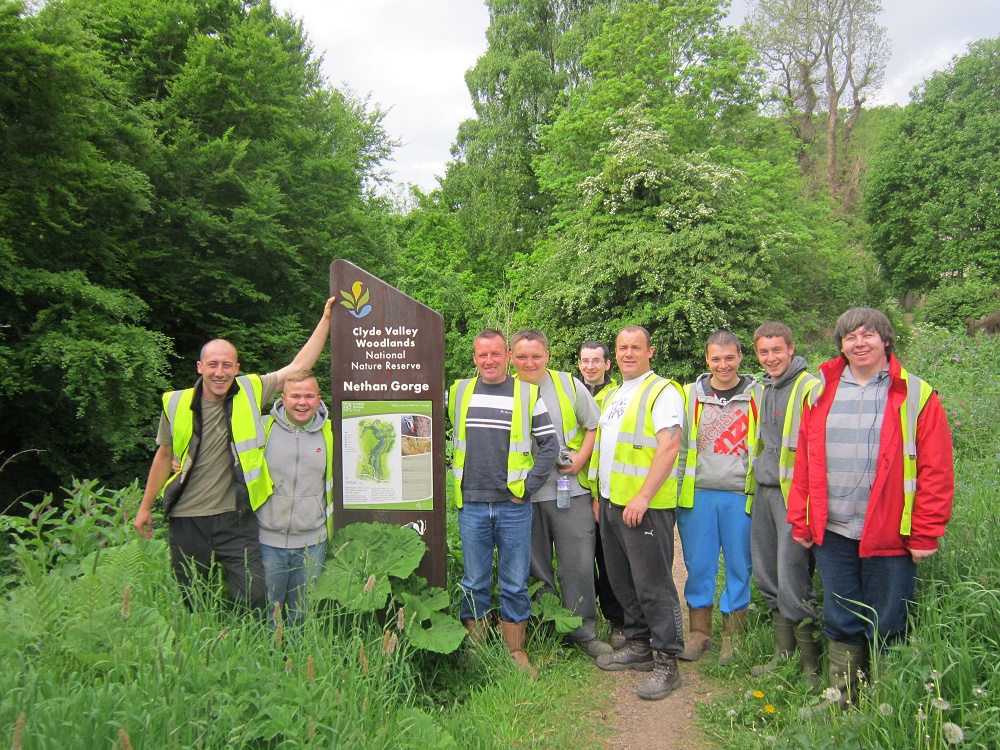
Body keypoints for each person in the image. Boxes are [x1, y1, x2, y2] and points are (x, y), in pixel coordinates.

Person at [788, 308, 954, 709]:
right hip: (834, 531)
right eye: (850, 337)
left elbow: (936, 469)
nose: (859, 343)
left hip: (891, 533)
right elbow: (804, 463)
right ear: (840, 345)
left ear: (886, 340)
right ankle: (842, 701)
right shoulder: (820, 391)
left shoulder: (916, 394)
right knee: (841, 617)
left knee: (889, 621)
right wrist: (802, 519)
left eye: (868, 335)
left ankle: (886, 706)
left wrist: (925, 532)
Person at [133, 297, 336, 611]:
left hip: (237, 515)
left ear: (237, 369)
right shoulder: (175, 403)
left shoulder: (251, 390)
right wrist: (145, 507)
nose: (219, 372)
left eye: (227, 365)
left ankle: (251, 642)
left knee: (255, 595)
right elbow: (164, 456)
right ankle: (205, 648)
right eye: (212, 364)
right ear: (200, 367)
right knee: (193, 597)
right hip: (188, 516)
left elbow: (299, 368)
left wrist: (326, 319)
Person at [448, 329, 559, 676]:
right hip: (472, 504)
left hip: (513, 506)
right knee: (474, 581)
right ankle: (475, 651)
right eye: (482, 355)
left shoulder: (527, 394)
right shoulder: (459, 391)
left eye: (496, 354)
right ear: (474, 358)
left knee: (513, 582)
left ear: (507, 356)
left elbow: (550, 446)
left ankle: (516, 652)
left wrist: (527, 488)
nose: (489, 361)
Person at [589, 326, 686, 701]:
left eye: (636, 347)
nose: (629, 353)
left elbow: (670, 445)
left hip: (644, 507)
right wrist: (601, 497)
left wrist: (644, 496)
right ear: (615, 354)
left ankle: (667, 662)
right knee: (622, 580)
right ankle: (638, 645)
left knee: (653, 586)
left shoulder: (663, 391)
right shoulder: (613, 394)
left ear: (651, 351)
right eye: (623, 348)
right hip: (613, 503)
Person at [510, 330, 610, 658]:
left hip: (570, 491)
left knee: (578, 564)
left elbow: (594, 424)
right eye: (522, 356)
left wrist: (581, 458)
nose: (529, 362)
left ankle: (583, 633)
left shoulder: (568, 384)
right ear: (512, 357)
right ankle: (547, 629)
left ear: (547, 356)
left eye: (535, 356)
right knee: (535, 568)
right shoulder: (505, 390)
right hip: (525, 495)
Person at [675, 330, 760, 665]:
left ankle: (732, 636)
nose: (723, 365)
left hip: (742, 494)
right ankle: (699, 633)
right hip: (698, 495)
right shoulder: (687, 395)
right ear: (706, 359)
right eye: (716, 358)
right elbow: (676, 446)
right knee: (699, 565)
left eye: (729, 357)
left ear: (740, 357)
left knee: (741, 565)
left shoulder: (760, 395)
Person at [747, 323, 822, 685]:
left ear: (791, 349)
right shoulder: (763, 387)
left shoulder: (810, 388)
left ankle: (811, 668)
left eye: (777, 350)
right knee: (767, 574)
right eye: (764, 352)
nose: (771, 358)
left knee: (793, 577)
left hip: (796, 496)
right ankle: (783, 654)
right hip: (765, 490)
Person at [254, 370, 333, 629]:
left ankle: (299, 665)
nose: (302, 402)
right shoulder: (262, 429)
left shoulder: (330, 433)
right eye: (295, 396)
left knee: (303, 614)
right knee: (269, 613)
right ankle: (270, 664)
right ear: (283, 398)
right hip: (267, 540)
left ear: (318, 398)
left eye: (309, 396)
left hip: (313, 542)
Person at [578, 340, 626, 649]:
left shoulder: (619, 396)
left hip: (606, 490)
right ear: (579, 363)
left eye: (597, 360)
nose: (591, 366)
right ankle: (582, 621)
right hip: (575, 489)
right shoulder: (571, 392)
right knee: (580, 560)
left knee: (609, 559)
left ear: (608, 364)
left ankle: (618, 621)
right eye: (585, 360)